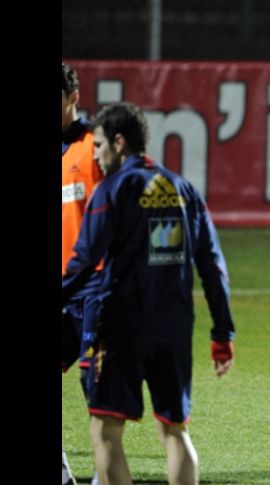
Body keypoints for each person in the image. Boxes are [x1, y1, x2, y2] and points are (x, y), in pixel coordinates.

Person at [62, 102, 236, 485]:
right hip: (172, 328)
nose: (95, 154)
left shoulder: (111, 190)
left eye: (100, 146)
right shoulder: (184, 190)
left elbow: (84, 260)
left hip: (119, 327)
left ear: (119, 143)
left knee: (105, 431)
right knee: (175, 431)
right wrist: (222, 333)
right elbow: (213, 267)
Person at [62, 61, 104, 485]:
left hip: (96, 287)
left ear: (73, 97)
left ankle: (104, 476)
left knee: (95, 389)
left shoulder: (95, 146)